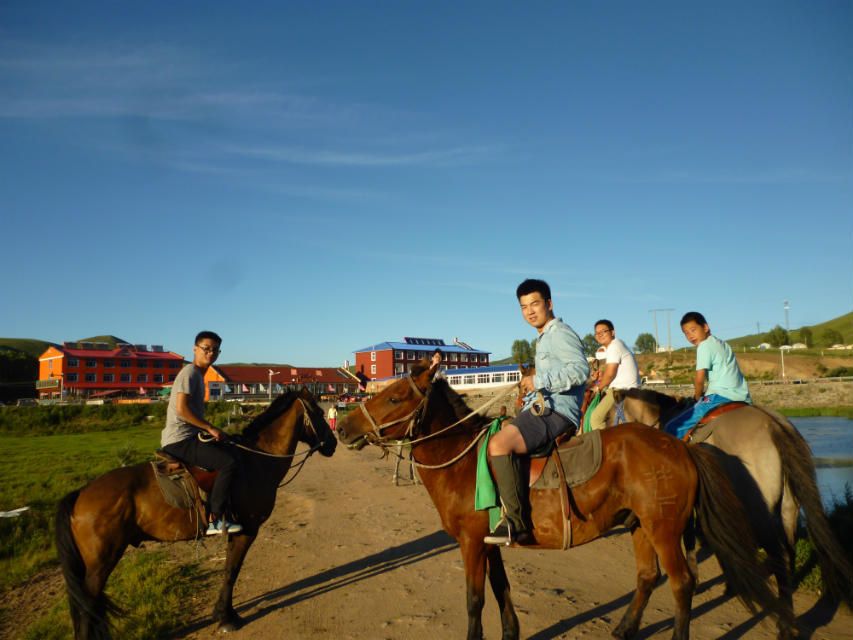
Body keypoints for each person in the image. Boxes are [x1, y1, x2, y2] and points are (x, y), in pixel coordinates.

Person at [484, 279, 589, 545]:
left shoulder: (560, 333)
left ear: (549, 304)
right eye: (523, 307)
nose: (530, 311)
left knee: (498, 444)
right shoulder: (543, 338)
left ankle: (515, 524)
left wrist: (539, 380)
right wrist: (531, 394)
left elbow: (580, 370)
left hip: (558, 413)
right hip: (545, 407)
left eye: (535, 304)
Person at [161, 331, 242, 535]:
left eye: (215, 350)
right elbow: (182, 410)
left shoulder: (197, 375)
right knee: (228, 463)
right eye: (206, 348)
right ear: (195, 349)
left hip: (189, 436)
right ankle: (215, 519)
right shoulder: (190, 372)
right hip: (180, 440)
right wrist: (209, 427)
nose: (210, 353)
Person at [665, 312, 752, 439]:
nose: (690, 336)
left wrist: (697, 398)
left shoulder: (704, 346)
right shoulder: (722, 344)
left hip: (719, 396)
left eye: (693, 330)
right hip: (742, 396)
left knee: (672, 427)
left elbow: (699, 379)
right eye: (686, 333)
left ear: (705, 327)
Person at [588, 320, 641, 430]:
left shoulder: (614, 346)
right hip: (629, 388)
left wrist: (598, 388)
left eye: (603, 331)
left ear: (612, 332)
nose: (600, 335)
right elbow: (611, 374)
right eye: (597, 333)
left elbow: (611, 373)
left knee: (595, 419)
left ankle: (606, 444)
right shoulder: (617, 345)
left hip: (621, 390)